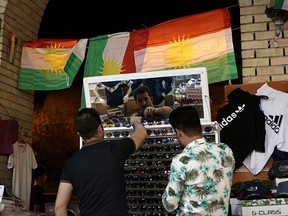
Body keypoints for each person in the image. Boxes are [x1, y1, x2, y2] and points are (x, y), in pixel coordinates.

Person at [54, 107, 147, 216]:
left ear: (79, 134)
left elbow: (59, 208)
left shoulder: (71, 163)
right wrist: (135, 122)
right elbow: (141, 133)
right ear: (99, 129)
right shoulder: (116, 150)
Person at [162, 106, 235, 216]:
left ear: (178, 132)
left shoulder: (181, 161)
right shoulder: (225, 150)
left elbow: (169, 205)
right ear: (200, 127)